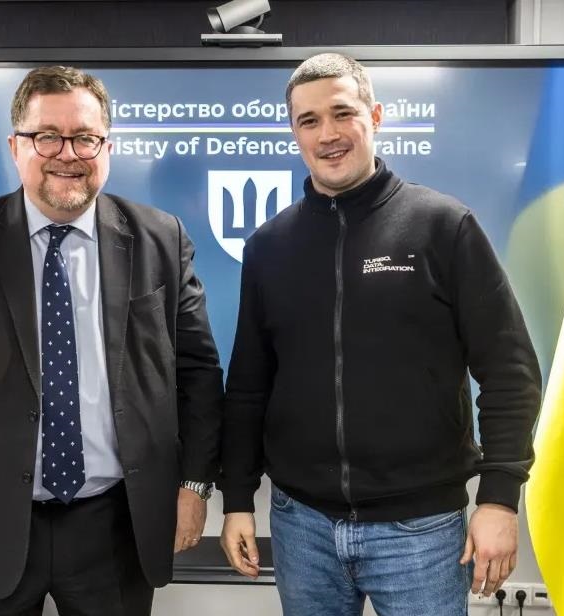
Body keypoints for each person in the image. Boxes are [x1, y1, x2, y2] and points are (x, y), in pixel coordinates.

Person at [0, 66, 223, 616]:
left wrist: (195, 484)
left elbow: (198, 376)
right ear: (15, 147)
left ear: (107, 147)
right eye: (47, 137)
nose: (68, 153)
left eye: (85, 137)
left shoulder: (161, 238)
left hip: (116, 528)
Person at [219, 53, 542, 616]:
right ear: (294, 132)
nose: (327, 134)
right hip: (302, 527)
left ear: (374, 116)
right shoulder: (269, 247)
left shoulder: (444, 226)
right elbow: (249, 386)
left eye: (342, 113)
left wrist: (499, 498)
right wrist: (238, 500)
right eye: (309, 120)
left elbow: (509, 372)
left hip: (421, 531)